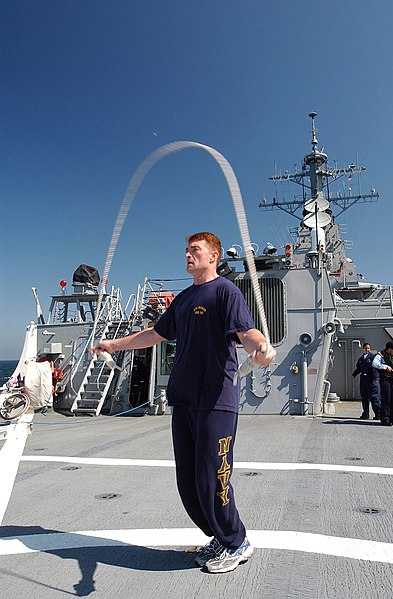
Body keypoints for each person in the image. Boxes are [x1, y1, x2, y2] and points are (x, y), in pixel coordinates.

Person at [93, 232, 276, 573]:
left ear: (214, 256)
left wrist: (260, 346)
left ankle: (237, 542)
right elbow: (155, 335)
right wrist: (115, 344)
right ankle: (220, 537)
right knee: (189, 484)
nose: (188, 256)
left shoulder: (225, 291)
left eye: (195, 251)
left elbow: (246, 332)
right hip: (185, 400)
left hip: (215, 400)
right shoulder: (183, 299)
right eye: (187, 251)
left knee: (213, 477)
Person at [352, 342, 380, 420]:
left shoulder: (373, 357)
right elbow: (359, 368)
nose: (367, 350)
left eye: (368, 348)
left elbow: (375, 368)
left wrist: (375, 378)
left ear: (370, 349)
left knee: (373, 397)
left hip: (371, 379)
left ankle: (378, 414)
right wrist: (354, 374)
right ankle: (365, 414)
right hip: (363, 379)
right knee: (364, 397)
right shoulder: (361, 358)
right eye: (365, 348)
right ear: (363, 349)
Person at [372, 341, 393, 427]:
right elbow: (375, 364)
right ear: (389, 349)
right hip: (386, 379)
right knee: (386, 399)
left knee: (392, 399)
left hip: (392, 379)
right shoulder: (380, 355)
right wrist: (385, 367)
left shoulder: (391, 356)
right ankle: (385, 419)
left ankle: (391, 418)